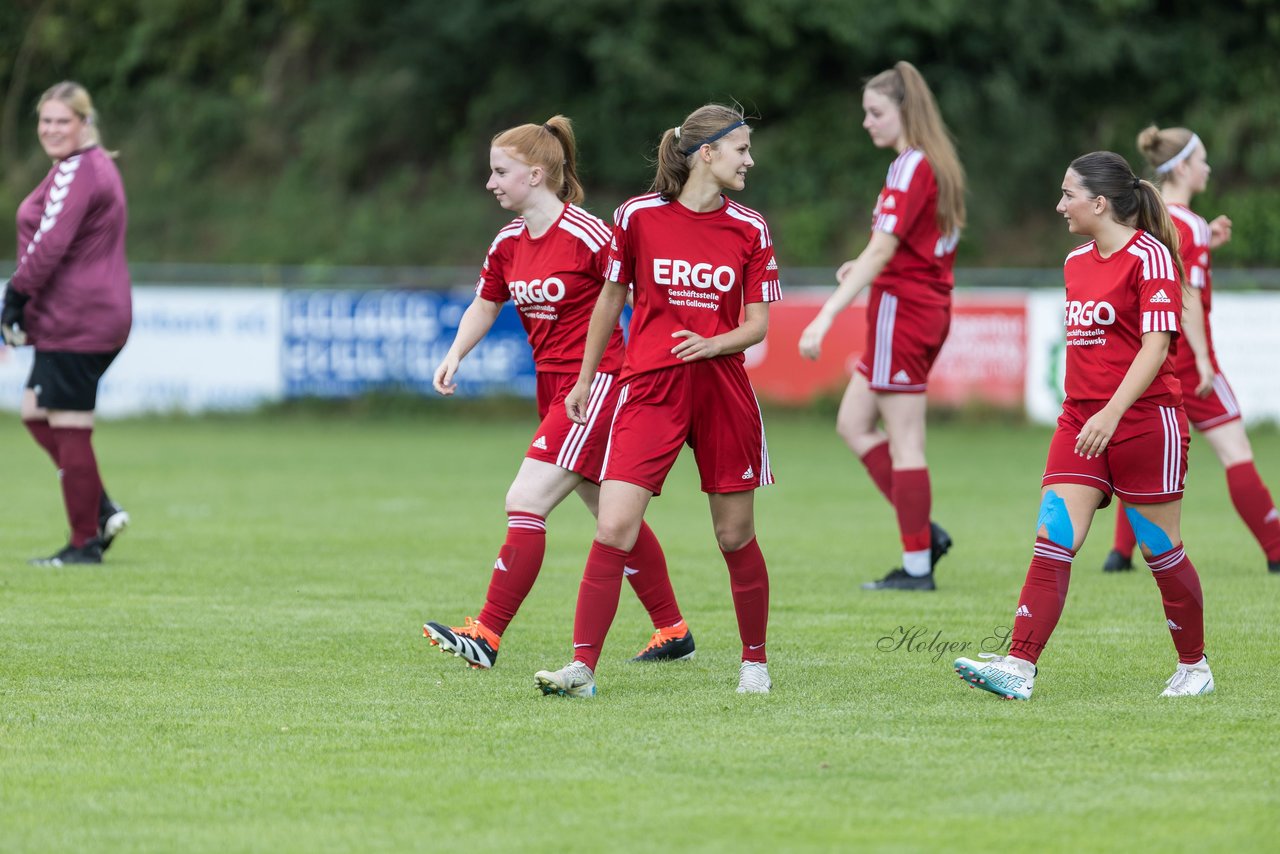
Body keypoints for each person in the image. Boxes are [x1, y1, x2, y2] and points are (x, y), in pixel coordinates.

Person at [421, 116, 695, 670]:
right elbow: (486, 301)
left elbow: (645, 295)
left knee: (525, 500)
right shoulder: (508, 242)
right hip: (553, 390)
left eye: (501, 172)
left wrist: (651, 370)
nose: (491, 183)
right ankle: (673, 629)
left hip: (597, 386)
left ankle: (487, 634)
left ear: (537, 174)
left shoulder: (591, 235)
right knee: (611, 516)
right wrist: (456, 352)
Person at [534, 103, 781, 698]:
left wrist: (712, 343)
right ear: (706, 153)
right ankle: (582, 670)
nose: (750, 159)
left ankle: (754, 663)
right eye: (741, 148)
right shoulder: (638, 217)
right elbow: (610, 301)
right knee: (614, 524)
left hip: (722, 390)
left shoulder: (750, 227)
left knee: (734, 536)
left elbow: (758, 325)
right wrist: (586, 379)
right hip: (647, 389)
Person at [954, 151, 1214, 700]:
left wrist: (1112, 412)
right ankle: (1019, 667)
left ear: (1099, 202)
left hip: (1146, 422)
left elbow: (1157, 345)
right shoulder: (1075, 262)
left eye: (1068, 194)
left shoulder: (1152, 259)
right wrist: (1092, 413)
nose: (1059, 205)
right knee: (1053, 541)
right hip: (1080, 421)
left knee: (1160, 552)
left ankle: (1195, 668)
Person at [797, 61, 964, 591]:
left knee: (906, 440)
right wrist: (868, 264)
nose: (867, 122)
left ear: (904, 111)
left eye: (875, 112)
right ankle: (923, 533)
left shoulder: (910, 165)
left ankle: (917, 567)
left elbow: (888, 248)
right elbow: (900, 248)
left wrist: (826, 315)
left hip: (905, 311)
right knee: (852, 423)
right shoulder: (936, 163)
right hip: (919, 304)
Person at [1099, 126, 1280, 574]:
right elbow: (1188, 297)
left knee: (1142, 452)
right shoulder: (1191, 224)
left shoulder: (1145, 217)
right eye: (1201, 161)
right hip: (1188, 361)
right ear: (1181, 167)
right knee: (1236, 452)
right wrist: (1200, 359)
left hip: (1148, 358)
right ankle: (1277, 551)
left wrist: (1206, 245)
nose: (1208, 168)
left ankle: (1119, 555)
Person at [2, 81, 131, 567]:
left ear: (85, 123)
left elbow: (49, 243)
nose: (52, 130)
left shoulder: (78, 170)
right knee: (36, 413)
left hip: (77, 318)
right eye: (46, 121)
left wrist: (15, 295)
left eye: (63, 121)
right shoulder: (93, 167)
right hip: (85, 315)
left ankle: (84, 543)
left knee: (71, 426)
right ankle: (100, 508)